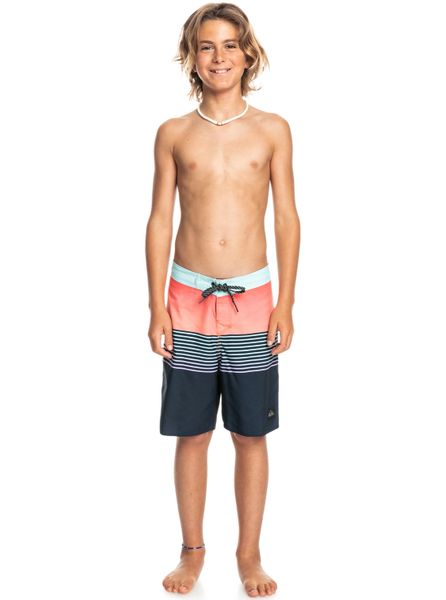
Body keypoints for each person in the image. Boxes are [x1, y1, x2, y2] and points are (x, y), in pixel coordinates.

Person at [145, 2, 300, 596]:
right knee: (192, 433)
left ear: (248, 54)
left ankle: (249, 553)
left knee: (250, 434)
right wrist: (156, 305)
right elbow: (160, 221)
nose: (219, 57)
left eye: (230, 45)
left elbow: (286, 218)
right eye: (207, 46)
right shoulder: (173, 134)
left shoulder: (272, 129)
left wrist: (285, 302)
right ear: (192, 57)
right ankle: (192, 550)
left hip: (253, 301)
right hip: (187, 300)